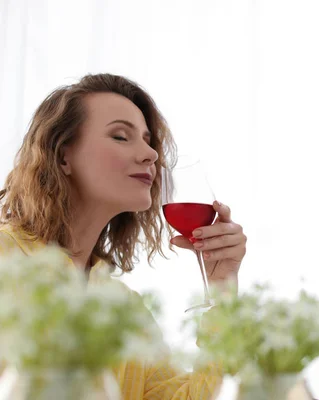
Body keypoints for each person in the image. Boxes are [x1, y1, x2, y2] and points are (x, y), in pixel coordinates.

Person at [0, 73, 247, 399]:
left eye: (147, 140)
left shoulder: (125, 307)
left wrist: (222, 289)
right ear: (63, 156)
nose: (151, 155)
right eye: (120, 136)